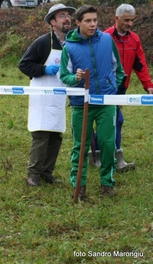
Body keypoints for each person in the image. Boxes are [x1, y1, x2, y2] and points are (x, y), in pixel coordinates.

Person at [60, 5, 125, 199]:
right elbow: (64, 75)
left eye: (95, 20)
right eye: (88, 21)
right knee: (80, 145)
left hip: (106, 102)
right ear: (78, 22)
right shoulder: (69, 46)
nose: (93, 24)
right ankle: (79, 186)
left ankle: (107, 183)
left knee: (107, 143)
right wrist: (76, 78)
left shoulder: (106, 39)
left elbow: (118, 69)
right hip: (81, 103)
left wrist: (112, 88)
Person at [89, 4, 153, 172]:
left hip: (121, 87)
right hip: (104, 88)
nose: (130, 24)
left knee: (111, 121)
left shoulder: (135, 39)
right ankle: (114, 159)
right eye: (126, 20)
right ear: (116, 19)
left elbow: (140, 65)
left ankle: (96, 155)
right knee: (115, 120)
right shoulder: (104, 37)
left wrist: (148, 86)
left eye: (132, 20)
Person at [19, 3, 75, 186]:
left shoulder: (71, 42)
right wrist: (44, 69)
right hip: (42, 96)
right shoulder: (42, 42)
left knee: (56, 136)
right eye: (62, 16)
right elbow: (24, 65)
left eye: (68, 15)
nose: (67, 19)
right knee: (41, 136)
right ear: (52, 22)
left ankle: (46, 173)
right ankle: (33, 174)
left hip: (58, 96)